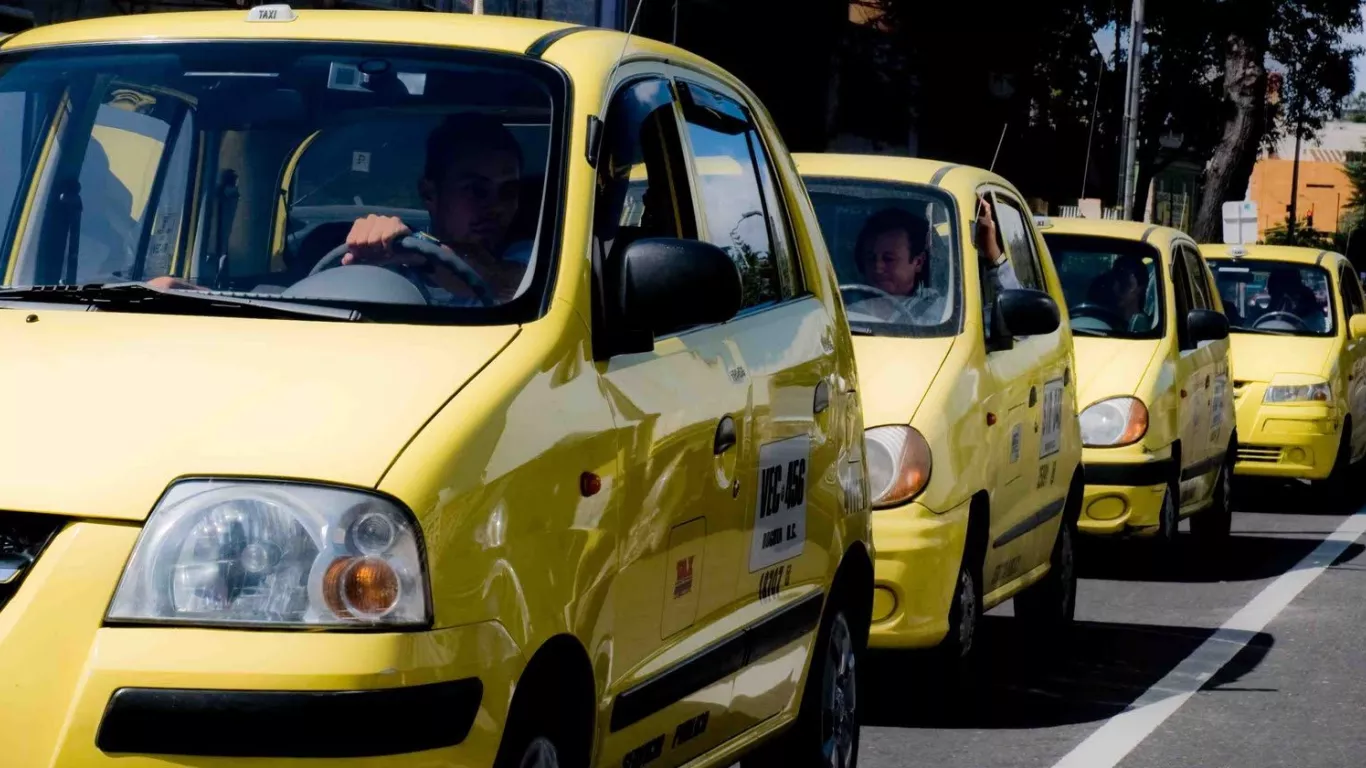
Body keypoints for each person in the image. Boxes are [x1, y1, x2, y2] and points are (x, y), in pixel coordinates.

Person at [148, 113, 528, 305]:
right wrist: (194, 294)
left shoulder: (533, 259)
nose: (495, 207)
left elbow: (510, 286)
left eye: (507, 192)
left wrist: (416, 253)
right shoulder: (365, 262)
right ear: (430, 194)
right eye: (476, 191)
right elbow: (286, 306)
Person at [852, 206, 945, 323]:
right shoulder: (844, 313)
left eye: (888, 259)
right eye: (871, 258)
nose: (878, 268)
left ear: (918, 262)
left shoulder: (941, 315)